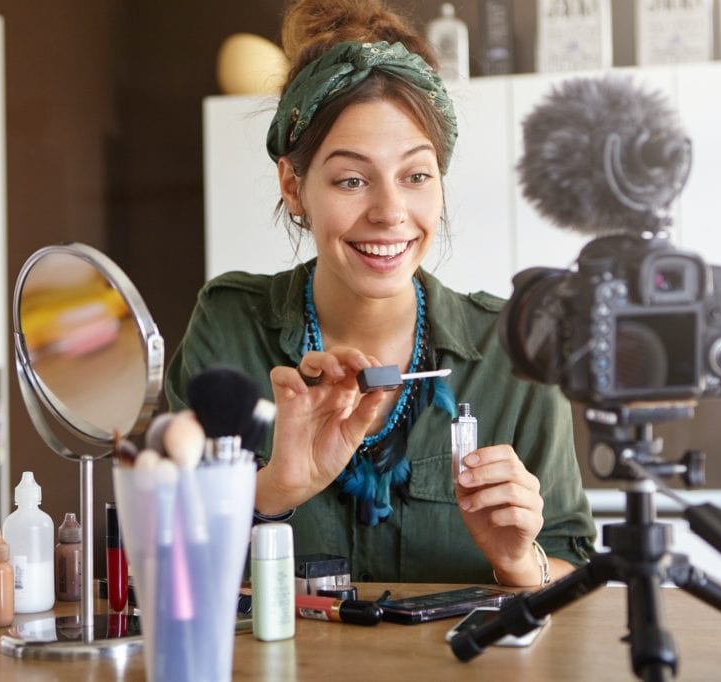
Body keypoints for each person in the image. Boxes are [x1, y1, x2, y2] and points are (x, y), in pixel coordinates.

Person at [165, 0, 596, 586]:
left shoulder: (514, 351)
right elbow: (164, 560)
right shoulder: (230, 327)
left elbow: (575, 574)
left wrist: (519, 560)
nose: (391, 213)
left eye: (416, 176)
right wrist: (273, 492)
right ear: (294, 186)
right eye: (351, 179)